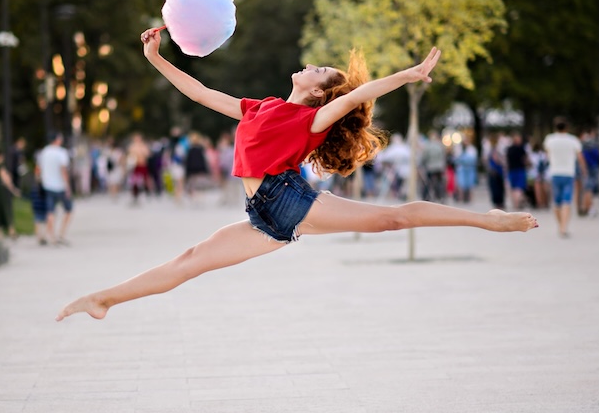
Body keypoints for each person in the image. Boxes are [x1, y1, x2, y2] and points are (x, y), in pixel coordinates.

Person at [55, 28, 537, 322]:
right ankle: (103, 300)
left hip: (288, 199)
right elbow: (201, 93)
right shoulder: (259, 107)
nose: (311, 64)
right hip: (263, 215)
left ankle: (488, 220)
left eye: (320, 69)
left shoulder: (311, 119)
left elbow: (353, 97)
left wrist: (405, 76)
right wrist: (156, 59)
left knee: (393, 219)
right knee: (189, 261)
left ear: (317, 93)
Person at [543, 117, 586, 238]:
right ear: (567, 127)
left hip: (555, 172)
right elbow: (580, 157)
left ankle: (559, 225)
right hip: (569, 173)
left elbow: (547, 155)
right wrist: (583, 169)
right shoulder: (573, 140)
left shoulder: (549, 139)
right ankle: (563, 227)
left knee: (556, 202)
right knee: (566, 201)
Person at [38, 132, 73, 245]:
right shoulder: (61, 152)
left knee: (50, 211)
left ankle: (51, 236)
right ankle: (61, 234)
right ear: (57, 140)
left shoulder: (44, 152)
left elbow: (38, 169)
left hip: (47, 185)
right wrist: (67, 186)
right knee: (68, 210)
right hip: (60, 186)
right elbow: (63, 170)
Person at [420, 130, 446, 203]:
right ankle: (441, 196)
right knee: (439, 182)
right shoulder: (440, 145)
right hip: (439, 167)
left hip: (430, 167)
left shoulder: (428, 146)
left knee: (428, 182)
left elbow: (424, 157)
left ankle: (426, 197)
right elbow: (443, 156)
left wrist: (422, 164)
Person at [505, 131, 528, 209]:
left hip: (511, 170)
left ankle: (515, 204)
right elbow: (525, 160)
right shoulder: (521, 149)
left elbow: (506, 161)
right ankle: (518, 203)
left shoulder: (509, 149)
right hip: (520, 170)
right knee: (519, 188)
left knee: (513, 188)